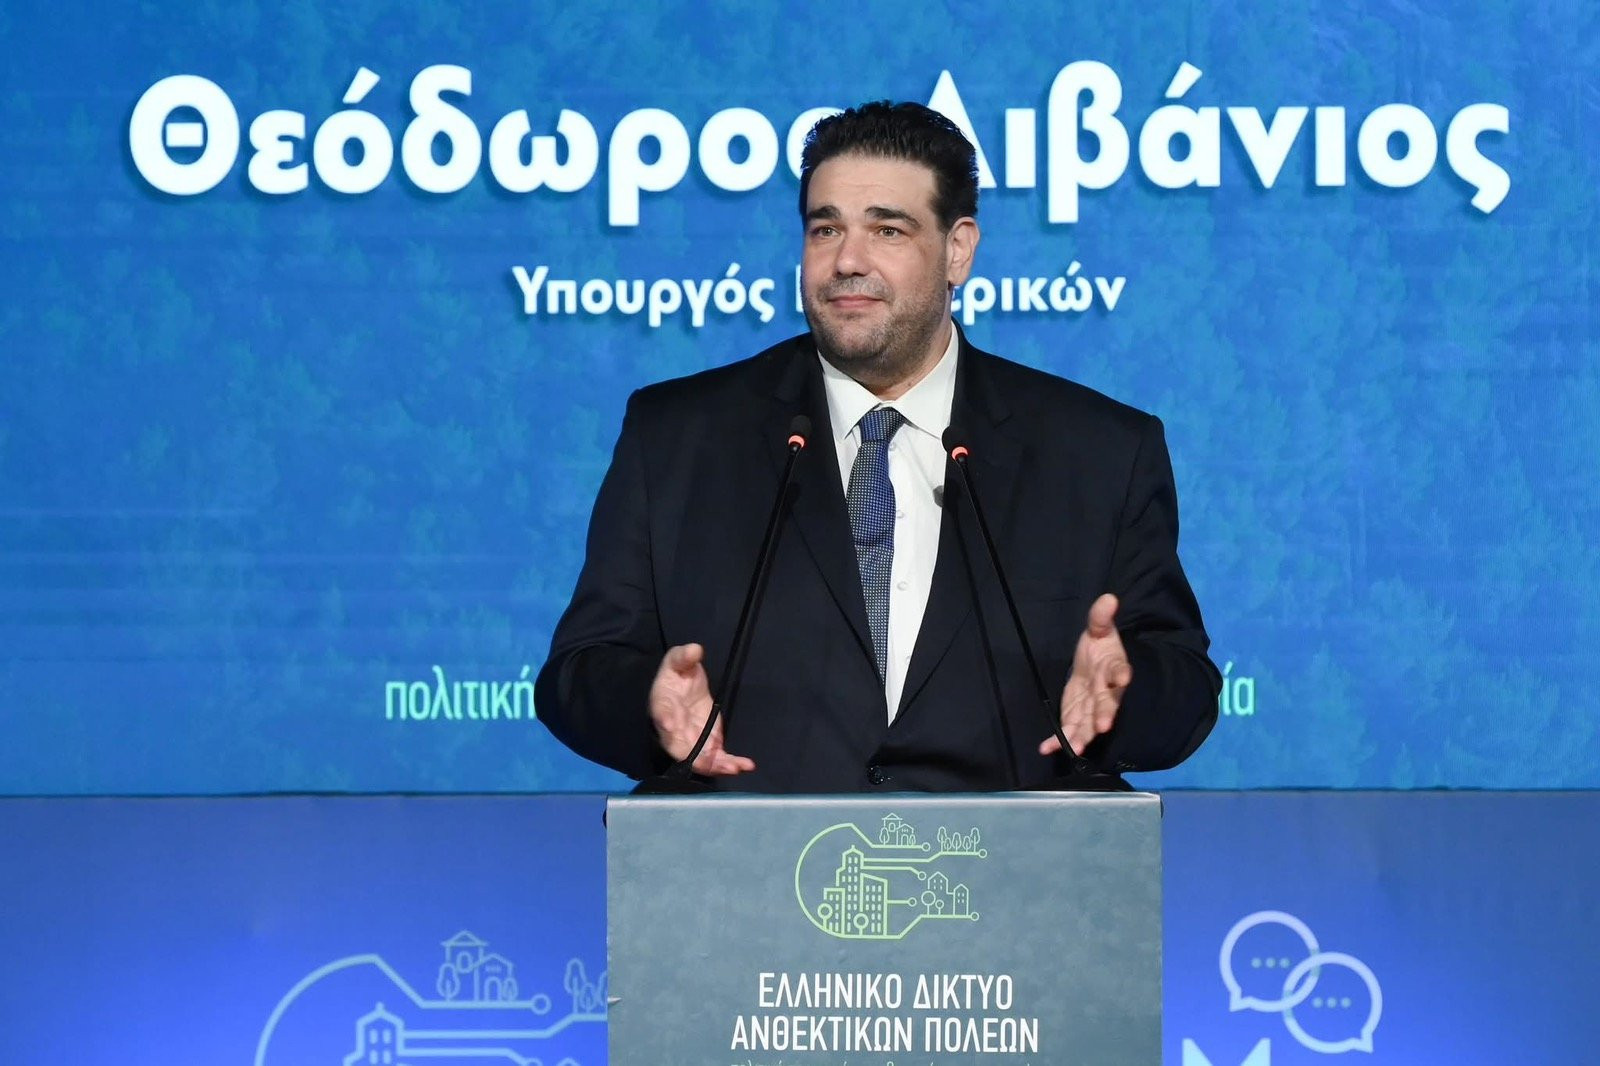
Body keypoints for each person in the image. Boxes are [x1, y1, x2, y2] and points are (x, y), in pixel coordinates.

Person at [535, 101, 1218, 792]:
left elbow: (1186, 685)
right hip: (748, 855)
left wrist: (1126, 695)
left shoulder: (1099, 452)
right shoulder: (676, 437)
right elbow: (579, 672)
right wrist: (648, 705)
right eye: (825, 228)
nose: (846, 261)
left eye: (887, 229)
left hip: (1005, 856)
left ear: (958, 250)